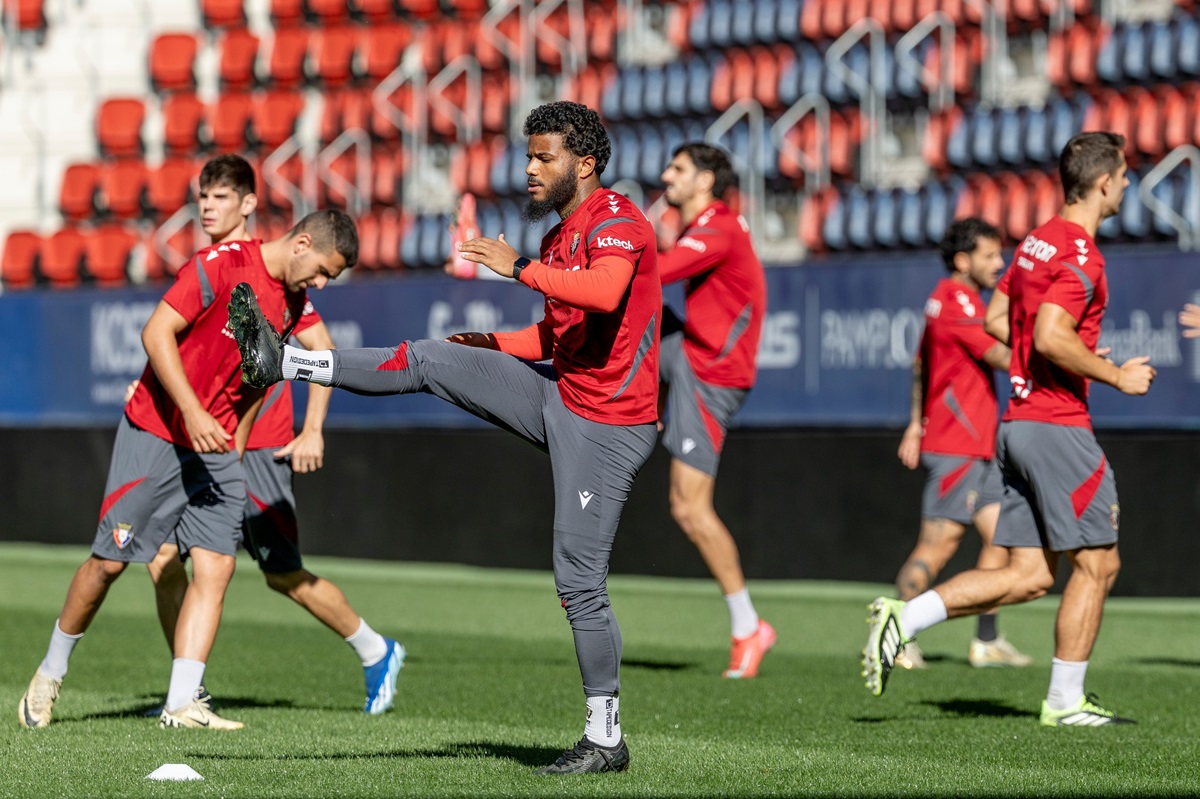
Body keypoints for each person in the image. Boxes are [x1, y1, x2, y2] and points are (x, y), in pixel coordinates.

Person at [228, 101, 659, 773]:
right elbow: (554, 337)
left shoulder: (617, 220)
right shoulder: (554, 239)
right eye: (529, 154)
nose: (531, 168)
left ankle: (606, 738)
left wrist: (515, 267)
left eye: (545, 156)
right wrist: (491, 344)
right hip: (559, 389)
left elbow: (604, 293)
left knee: (579, 579)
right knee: (428, 358)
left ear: (587, 162)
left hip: (607, 427)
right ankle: (285, 359)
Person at [18, 209, 358, 731]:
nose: (320, 284)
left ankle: (181, 703)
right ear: (302, 243)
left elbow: (258, 382)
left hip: (217, 445)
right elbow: (156, 335)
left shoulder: (291, 302)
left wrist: (236, 449)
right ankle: (48, 673)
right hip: (157, 430)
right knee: (109, 563)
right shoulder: (220, 265)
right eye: (322, 271)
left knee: (217, 566)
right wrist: (194, 412)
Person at [861, 131, 1155, 726]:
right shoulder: (1081, 253)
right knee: (1099, 564)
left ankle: (905, 618)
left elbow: (1001, 319)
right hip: (1055, 424)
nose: (1126, 185)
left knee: (1027, 575)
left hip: (1015, 424)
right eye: (1123, 176)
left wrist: (1052, 353)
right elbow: (1048, 335)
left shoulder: (1034, 245)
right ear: (1104, 184)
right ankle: (1065, 702)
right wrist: (1112, 373)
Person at [142, 155, 403, 716]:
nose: (208, 207)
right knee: (163, 557)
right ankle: (185, 694)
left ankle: (377, 650)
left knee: (281, 573)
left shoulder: (286, 280)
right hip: (209, 438)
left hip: (259, 443)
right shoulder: (222, 265)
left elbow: (324, 353)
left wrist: (312, 429)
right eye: (203, 197)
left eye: (220, 197)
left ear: (248, 205)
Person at [891, 217, 1031, 671]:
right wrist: (1055, 350)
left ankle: (986, 640)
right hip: (959, 448)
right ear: (963, 260)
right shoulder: (959, 302)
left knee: (1005, 544)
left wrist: (915, 424)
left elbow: (920, 364)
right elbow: (1000, 356)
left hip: (973, 446)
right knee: (937, 546)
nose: (1000, 263)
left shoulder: (945, 300)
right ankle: (894, 633)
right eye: (990, 255)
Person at [656, 143, 773, 678]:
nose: (665, 176)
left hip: (710, 375)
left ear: (705, 180)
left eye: (677, 169)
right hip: (691, 356)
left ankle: (749, 628)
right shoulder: (700, 222)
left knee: (689, 509)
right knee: (622, 324)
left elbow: (653, 274)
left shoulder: (717, 226)